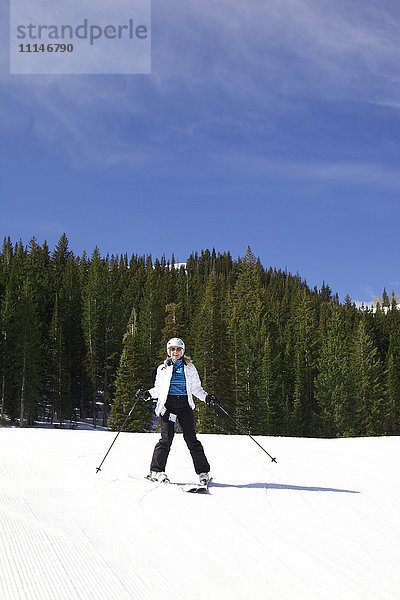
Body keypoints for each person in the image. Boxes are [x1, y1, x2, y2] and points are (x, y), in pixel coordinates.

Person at [138, 337, 218, 485]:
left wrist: (206, 397)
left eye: (178, 349)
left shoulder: (190, 368)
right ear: (169, 351)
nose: (176, 352)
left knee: (191, 439)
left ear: (182, 351)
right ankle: (156, 471)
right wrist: (148, 394)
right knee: (166, 439)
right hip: (169, 407)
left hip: (184, 406)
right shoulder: (162, 369)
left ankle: (203, 472)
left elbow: (196, 388)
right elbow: (158, 389)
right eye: (173, 349)